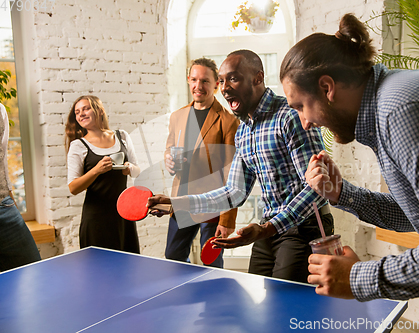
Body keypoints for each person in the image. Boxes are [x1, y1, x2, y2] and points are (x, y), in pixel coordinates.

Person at [280, 13, 419, 328]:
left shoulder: (403, 108)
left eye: (301, 106)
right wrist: (343, 194)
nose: (305, 122)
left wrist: (357, 278)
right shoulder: (390, 104)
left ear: (327, 87)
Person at [149, 50, 334, 283]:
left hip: (304, 225)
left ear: (257, 78)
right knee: (260, 296)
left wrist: (268, 228)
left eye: (233, 78)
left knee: (285, 303)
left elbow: (318, 189)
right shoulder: (244, 131)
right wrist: (178, 203)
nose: (225, 87)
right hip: (270, 226)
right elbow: (233, 191)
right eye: (223, 81)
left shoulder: (289, 117)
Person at [164, 57, 239, 268]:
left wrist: (226, 220)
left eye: (205, 81)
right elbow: (170, 149)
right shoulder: (177, 117)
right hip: (182, 199)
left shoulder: (229, 121)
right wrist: (169, 161)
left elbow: (232, 175)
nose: (199, 86)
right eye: (194, 80)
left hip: (212, 204)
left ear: (216, 85)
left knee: (212, 263)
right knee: (173, 257)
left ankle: (214, 300)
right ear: (188, 80)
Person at [65, 95, 141, 253]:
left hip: (123, 214)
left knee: (129, 267)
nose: (81, 114)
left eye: (86, 109)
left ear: (100, 111)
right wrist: (96, 170)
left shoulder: (122, 136)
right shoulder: (78, 145)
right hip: (96, 219)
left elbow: (138, 170)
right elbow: (73, 187)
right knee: (98, 272)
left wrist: (129, 169)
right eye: (77, 112)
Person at [0, 103, 41, 271]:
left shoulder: (0, 109)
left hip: (4, 206)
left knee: (33, 273)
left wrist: (10, 198)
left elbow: (2, 159)